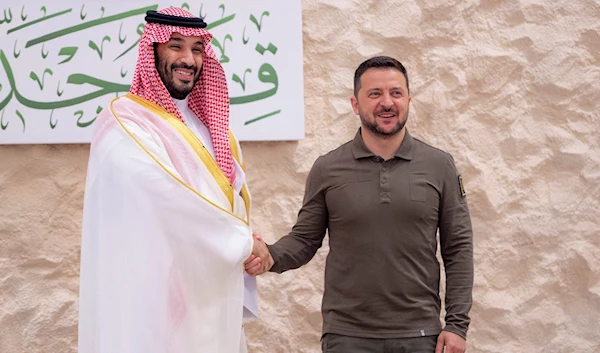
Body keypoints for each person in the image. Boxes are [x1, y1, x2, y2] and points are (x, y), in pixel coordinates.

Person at [245, 56, 474, 353]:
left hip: (420, 334)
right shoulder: (327, 168)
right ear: (355, 104)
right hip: (347, 336)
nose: (387, 102)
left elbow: (458, 248)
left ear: (408, 99)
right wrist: (270, 255)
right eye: (374, 94)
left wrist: (457, 326)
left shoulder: (439, 166)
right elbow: (305, 240)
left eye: (396, 93)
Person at [78, 7, 269, 353]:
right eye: (176, 45)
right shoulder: (123, 122)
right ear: (152, 50)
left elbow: (229, 200)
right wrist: (241, 241)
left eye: (197, 48)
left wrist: (247, 246)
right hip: (151, 302)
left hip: (208, 294)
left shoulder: (212, 128)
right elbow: (167, 197)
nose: (188, 59)